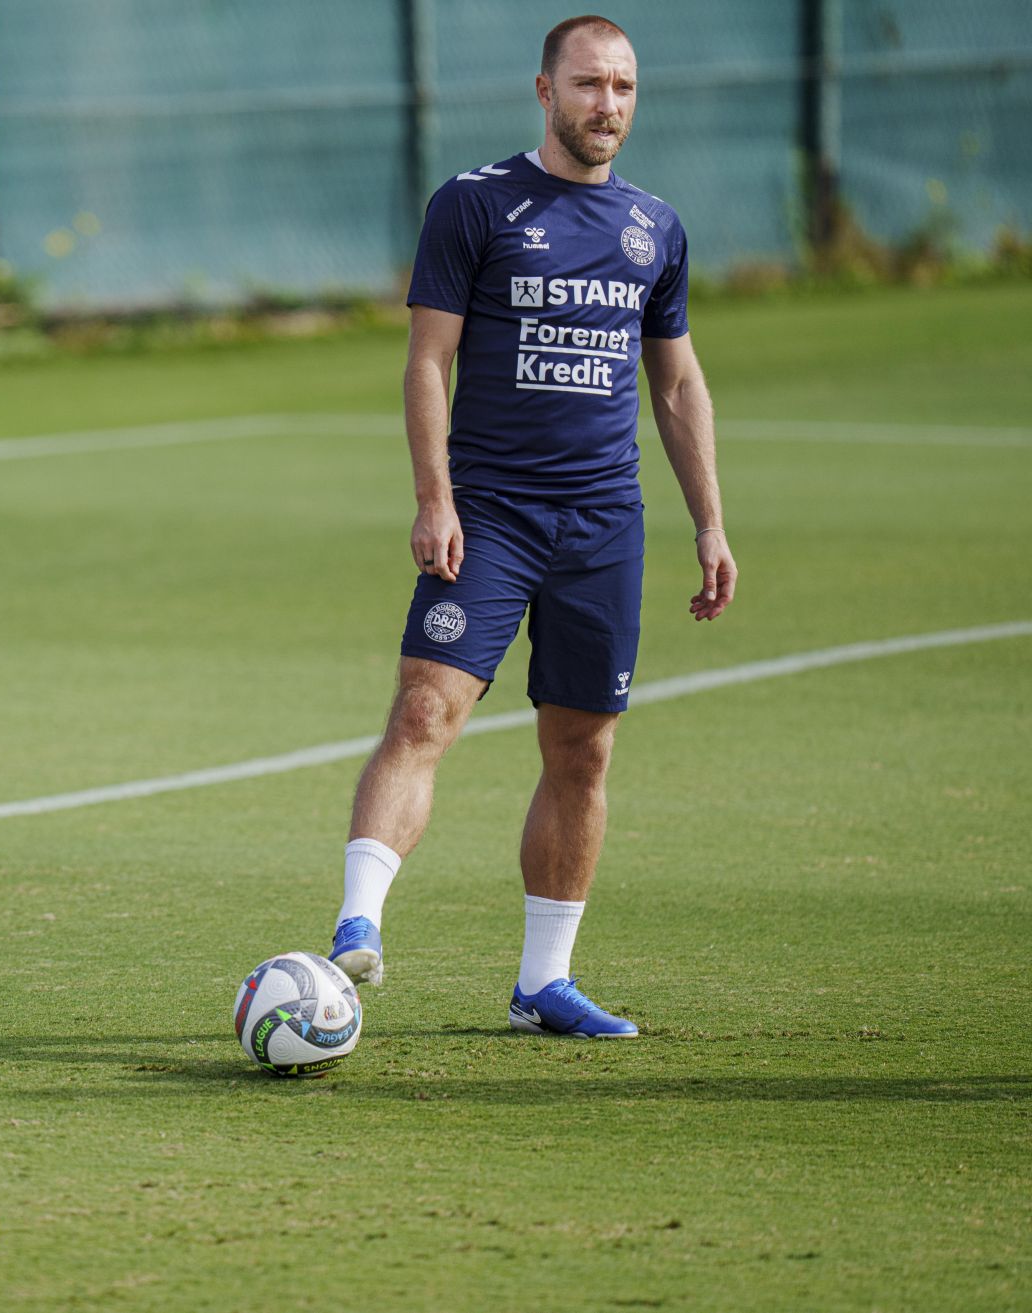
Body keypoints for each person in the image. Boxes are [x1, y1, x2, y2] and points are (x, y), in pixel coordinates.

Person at [327, 16, 737, 1037]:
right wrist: (436, 496)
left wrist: (712, 524)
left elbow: (677, 384)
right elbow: (429, 361)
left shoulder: (656, 228)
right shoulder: (475, 204)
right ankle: (354, 929)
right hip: (493, 514)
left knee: (583, 751)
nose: (610, 106)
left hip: (604, 524)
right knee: (426, 711)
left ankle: (543, 982)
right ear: (545, 92)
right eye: (591, 84)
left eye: (626, 89)